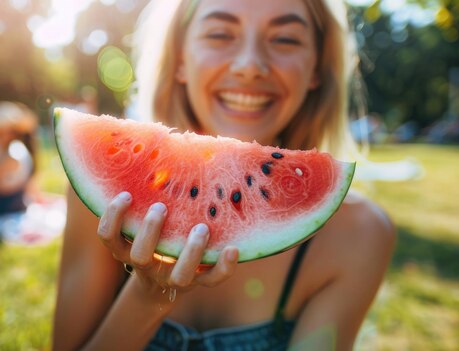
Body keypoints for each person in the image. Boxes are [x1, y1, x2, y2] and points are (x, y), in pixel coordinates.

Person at [52, 0, 396, 350]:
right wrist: (149, 296)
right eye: (219, 34)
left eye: (285, 40)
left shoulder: (359, 235)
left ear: (317, 70)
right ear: (181, 59)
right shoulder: (109, 197)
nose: (250, 65)